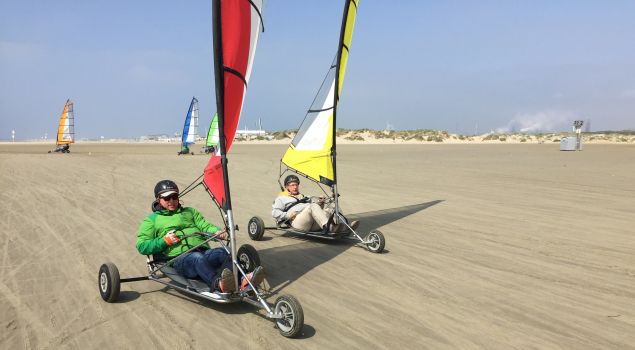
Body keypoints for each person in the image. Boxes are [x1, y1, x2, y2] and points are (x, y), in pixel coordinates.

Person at [136, 180, 265, 293]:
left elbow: (204, 225)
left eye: (174, 196)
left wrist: (216, 232)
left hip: (203, 251)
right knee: (196, 258)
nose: (172, 201)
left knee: (224, 252)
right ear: (158, 199)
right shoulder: (152, 220)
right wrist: (164, 241)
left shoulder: (190, 212)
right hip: (178, 259)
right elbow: (142, 246)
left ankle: (241, 280)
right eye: (167, 198)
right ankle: (219, 284)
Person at [272, 174, 359, 235]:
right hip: (298, 222)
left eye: (296, 185)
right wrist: (288, 215)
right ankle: (330, 228)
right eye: (292, 185)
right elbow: (275, 212)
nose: (295, 187)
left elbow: (316, 210)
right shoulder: (281, 198)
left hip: (313, 223)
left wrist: (321, 202)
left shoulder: (304, 197)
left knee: (332, 206)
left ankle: (344, 227)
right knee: (312, 206)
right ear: (287, 187)